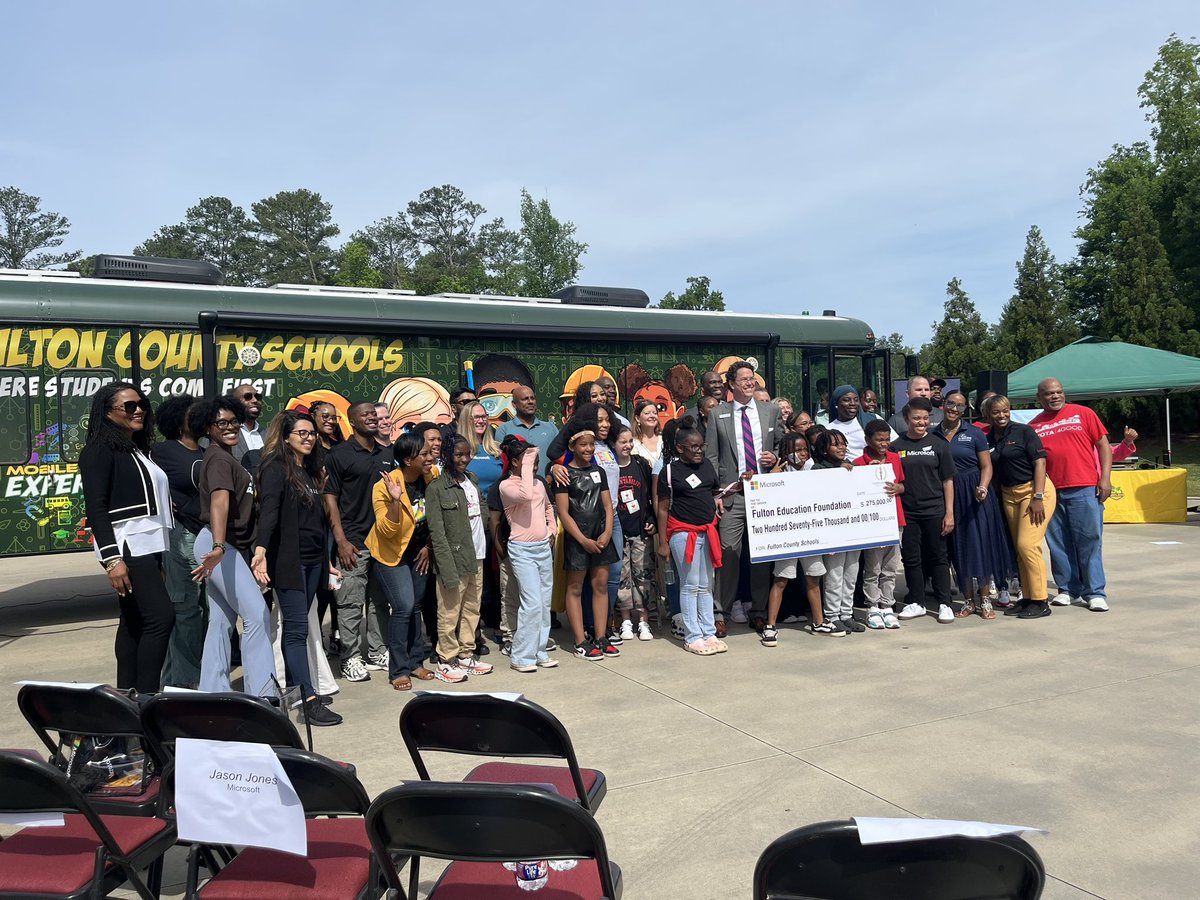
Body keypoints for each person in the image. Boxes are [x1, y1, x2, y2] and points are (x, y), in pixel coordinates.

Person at [80, 382, 175, 693]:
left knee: (134, 622)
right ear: (108, 412)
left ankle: (127, 700)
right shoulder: (99, 449)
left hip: (148, 545)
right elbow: (96, 507)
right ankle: (147, 699)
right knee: (161, 619)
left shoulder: (134, 447)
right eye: (130, 406)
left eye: (142, 404)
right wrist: (112, 559)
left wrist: (159, 555)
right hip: (127, 544)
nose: (139, 410)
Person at [251, 411, 342, 726]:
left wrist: (327, 562)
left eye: (312, 433)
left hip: (312, 561)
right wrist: (260, 550)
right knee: (296, 630)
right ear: (285, 437)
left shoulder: (309, 472)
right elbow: (269, 512)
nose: (309, 437)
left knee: (298, 627)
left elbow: (317, 523)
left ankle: (297, 692)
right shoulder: (276, 469)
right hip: (288, 562)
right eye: (301, 433)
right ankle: (309, 701)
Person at [190, 395, 276, 697]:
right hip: (221, 545)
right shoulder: (219, 459)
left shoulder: (223, 456)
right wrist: (217, 545)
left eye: (234, 421)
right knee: (257, 617)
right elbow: (219, 500)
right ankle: (264, 695)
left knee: (221, 621)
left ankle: (213, 691)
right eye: (221, 423)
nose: (230, 428)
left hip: (221, 545)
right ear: (207, 428)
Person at [705, 361, 784, 635]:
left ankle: (759, 611)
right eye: (744, 379)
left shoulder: (770, 410)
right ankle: (720, 613)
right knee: (729, 552)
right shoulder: (719, 414)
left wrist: (774, 458)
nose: (750, 383)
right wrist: (716, 493)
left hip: (763, 494)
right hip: (732, 495)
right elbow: (711, 457)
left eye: (752, 378)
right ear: (732, 384)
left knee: (761, 555)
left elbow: (781, 448)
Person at [1030, 378, 1113, 613]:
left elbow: (1104, 446)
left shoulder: (1083, 413)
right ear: (1040, 397)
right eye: (1049, 393)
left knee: (1089, 541)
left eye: (1059, 392)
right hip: (1051, 491)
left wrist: (1104, 478)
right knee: (1058, 543)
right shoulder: (1034, 426)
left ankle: (1095, 592)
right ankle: (1067, 589)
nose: (1055, 396)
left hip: (1084, 486)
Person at [323, 401, 391, 683]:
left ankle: (377, 651)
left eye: (374, 414)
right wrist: (340, 540)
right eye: (365, 415)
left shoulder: (387, 453)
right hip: (354, 541)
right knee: (350, 604)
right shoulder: (339, 454)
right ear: (352, 422)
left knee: (379, 601)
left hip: (383, 542)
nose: (372, 418)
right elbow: (330, 498)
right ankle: (351, 657)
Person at [365, 431, 439, 689]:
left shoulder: (431, 478)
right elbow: (386, 530)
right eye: (425, 454)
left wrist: (428, 546)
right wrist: (396, 500)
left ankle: (416, 663)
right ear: (408, 460)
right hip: (391, 555)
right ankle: (398, 670)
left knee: (415, 607)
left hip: (419, 552)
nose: (431, 458)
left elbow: (435, 518)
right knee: (404, 607)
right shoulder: (384, 486)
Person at [934, 391, 1014, 619]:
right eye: (951, 403)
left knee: (980, 546)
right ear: (943, 405)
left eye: (960, 406)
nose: (954, 409)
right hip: (948, 495)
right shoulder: (932, 434)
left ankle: (986, 598)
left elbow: (987, 467)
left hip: (975, 494)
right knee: (959, 548)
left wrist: (983, 486)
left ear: (964, 411)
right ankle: (968, 600)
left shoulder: (975, 434)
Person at [426, 434, 494, 682]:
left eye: (468, 454)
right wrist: (445, 566)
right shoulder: (436, 489)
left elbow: (482, 511)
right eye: (458, 455)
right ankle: (447, 659)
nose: (465, 459)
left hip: (477, 554)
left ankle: (466, 653)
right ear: (446, 456)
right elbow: (437, 531)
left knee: (472, 609)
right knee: (449, 610)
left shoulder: (472, 481)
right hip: (453, 559)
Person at [762, 432, 840, 645]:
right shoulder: (777, 472)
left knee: (814, 578)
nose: (802, 454)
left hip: (810, 534)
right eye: (797, 450)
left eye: (805, 449)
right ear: (787, 452)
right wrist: (771, 477)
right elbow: (763, 498)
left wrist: (844, 469)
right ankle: (770, 625)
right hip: (787, 536)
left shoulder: (814, 469)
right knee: (781, 579)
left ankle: (819, 621)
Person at [657, 417, 725, 656]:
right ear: (680, 448)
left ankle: (708, 632)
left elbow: (714, 492)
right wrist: (663, 542)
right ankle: (692, 635)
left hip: (707, 531)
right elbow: (663, 508)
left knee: (707, 584)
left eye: (701, 446)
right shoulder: (670, 471)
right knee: (690, 584)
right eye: (693, 447)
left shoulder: (706, 466)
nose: (698, 451)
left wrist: (719, 501)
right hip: (683, 533)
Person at [151, 394, 206, 688]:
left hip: (209, 537)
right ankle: (185, 686)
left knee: (207, 612)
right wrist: (162, 504)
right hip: (181, 536)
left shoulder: (208, 450)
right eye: (193, 414)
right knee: (187, 612)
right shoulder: (161, 451)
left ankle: (174, 684)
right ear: (178, 419)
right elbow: (146, 484)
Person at [986, 394, 1057, 619]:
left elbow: (1040, 462)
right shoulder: (989, 438)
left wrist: (1037, 497)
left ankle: (1040, 600)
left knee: (1028, 545)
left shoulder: (1024, 431)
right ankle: (1027, 597)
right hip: (1009, 494)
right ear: (988, 414)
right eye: (996, 411)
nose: (1001, 415)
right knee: (1019, 548)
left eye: (1005, 410)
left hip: (1034, 491)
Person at [554, 423, 620, 660]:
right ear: (572, 446)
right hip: (578, 539)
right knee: (575, 588)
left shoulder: (598, 471)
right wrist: (582, 540)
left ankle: (601, 636)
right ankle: (580, 640)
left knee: (600, 585)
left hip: (601, 536)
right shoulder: (564, 474)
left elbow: (608, 506)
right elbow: (563, 512)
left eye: (591, 444)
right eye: (583, 445)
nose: (589, 449)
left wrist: (607, 532)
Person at [891, 397, 956, 624]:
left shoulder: (939, 445)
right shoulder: (896, 446)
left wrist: (949, 513)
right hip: (908, 512)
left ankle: (944, 603)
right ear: (907, 419)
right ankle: (916, 602)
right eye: (916, 418)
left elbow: (948, 481)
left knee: (939, 557)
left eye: (925, 418)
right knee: (911, 559)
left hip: (935, 510)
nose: (921, 422)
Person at [497, 435, 559, 673]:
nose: (532, 464)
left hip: (543, 547)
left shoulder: (538, 483)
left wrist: (551, 530)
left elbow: (547, 507)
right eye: (526, 460)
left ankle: (539, 651)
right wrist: (527, 460)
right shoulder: (507, 486)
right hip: (521, 550)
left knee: (544, 604)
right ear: (514, 462)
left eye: (534, 460)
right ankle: (521, 656)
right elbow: (523, 495)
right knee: (531, 603)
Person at [811, 429, 864, 633]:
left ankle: (846, 613)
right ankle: (832, 615)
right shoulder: (817, 469)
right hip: (833, 531)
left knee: (851, 572)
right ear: (824, 449)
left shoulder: (852, 467)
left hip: (853, 528)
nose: (841, 447)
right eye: (835, 444)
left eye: (843, 443)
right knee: (834, 574)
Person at [854, 420, 905, 630]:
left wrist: (899, 488)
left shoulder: (894, 458)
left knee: (891, 567)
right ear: (867, 440)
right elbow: (855, 491)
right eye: (879, 439)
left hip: (895, 519)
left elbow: (902, 483)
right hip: (872, 523)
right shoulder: (858, 463)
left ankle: (887, 605)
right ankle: (872, 605)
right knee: (873, 568)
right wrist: (868, 474)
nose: (884, 443)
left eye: (887, 439)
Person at [614, 425, 656, 642]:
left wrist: (651, 519)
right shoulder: (610, 467)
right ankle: (625, 620)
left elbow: (650, 495)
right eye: (623, 442)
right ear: (614, 444)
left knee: (643, 576)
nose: (628, 445)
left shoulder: (640, 465)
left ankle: (644, 620)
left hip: (640, 531)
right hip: (619, 530)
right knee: (623, 577)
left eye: (630, 441)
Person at [495, 385, 558, 476]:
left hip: (546, 486)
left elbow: (560, 458)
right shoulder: (503, 430)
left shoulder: (551, 428)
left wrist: (551, 476)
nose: (530, 402)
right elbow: (503, 463)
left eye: (532, 398)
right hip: (516, 487)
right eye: (525, 399)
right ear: (514, 404)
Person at [827, 383, 897, 459]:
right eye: (847, 400)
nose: (853, 403)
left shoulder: (873, 418)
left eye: (856, 400)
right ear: (836, 403)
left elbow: (894, 441)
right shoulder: (829, 429)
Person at [230, 383, 265, 463]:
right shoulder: (225, 433)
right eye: (248, 397)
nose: (255, 400)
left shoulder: (269, 434)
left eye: (257, 397)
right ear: (235, 403)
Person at [631, 398, 663, 474]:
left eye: (655, 413)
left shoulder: (664, 440)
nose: (652, 416)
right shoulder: (633, 443)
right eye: (647, 413)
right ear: (637, 418)